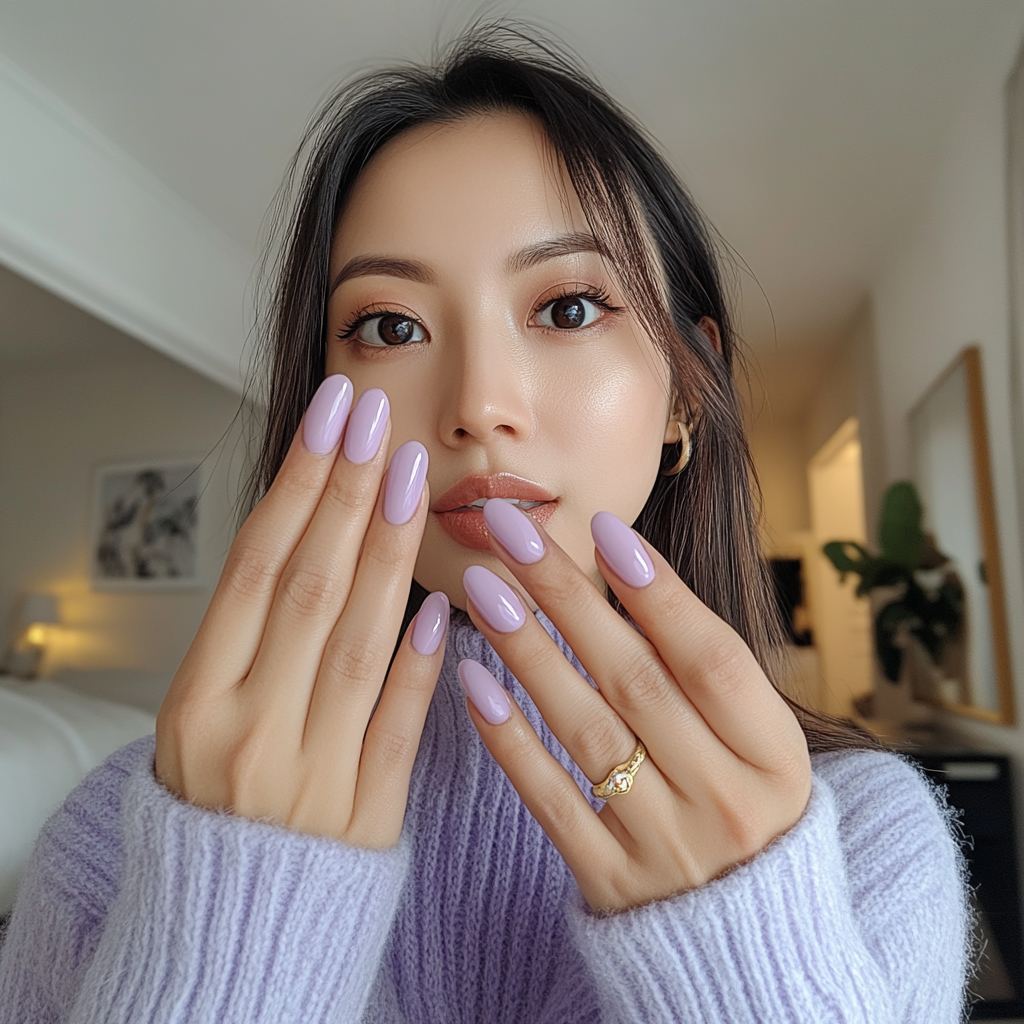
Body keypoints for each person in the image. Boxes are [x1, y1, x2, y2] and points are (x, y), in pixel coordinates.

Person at [0, 24, 973, 1023]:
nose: (478, 403)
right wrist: (230, 922)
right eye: (389, 326)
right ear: (319, 399)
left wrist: (747, 960)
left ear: (688, 390)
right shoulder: (119, 837)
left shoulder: (860, 838)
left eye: (567, 307)